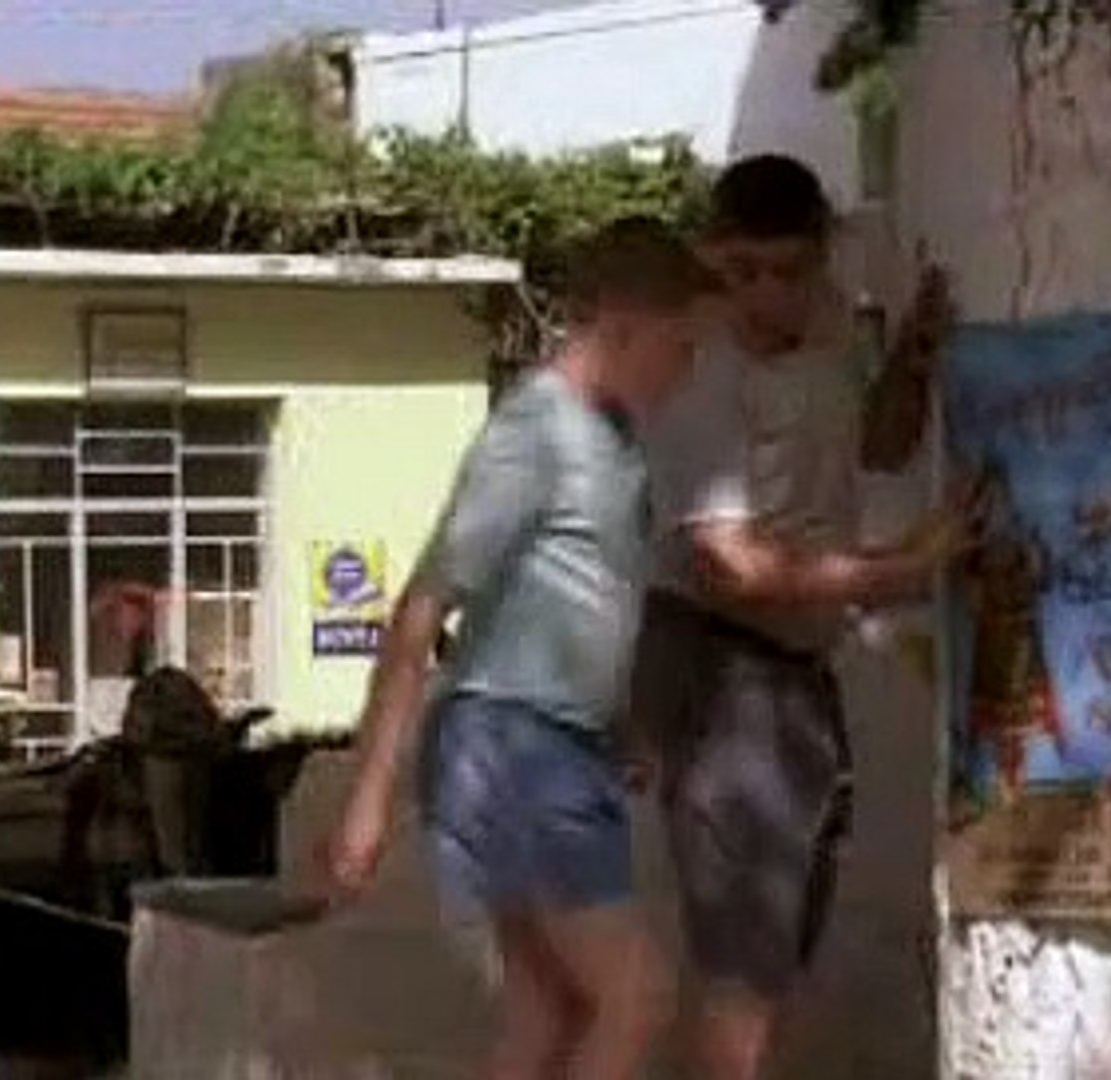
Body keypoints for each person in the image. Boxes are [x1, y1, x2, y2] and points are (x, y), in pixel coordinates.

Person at [323, 216, 720, 1080]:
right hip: (511, 743)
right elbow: (422, 607)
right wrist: (368, 795)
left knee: (549, 1015)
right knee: (635, 998)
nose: (686, 372)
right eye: (680, 347)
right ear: (622, 326)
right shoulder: (532, 433)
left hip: (564, 744)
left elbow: (576, 601)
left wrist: (619, 722)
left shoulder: (613, 440)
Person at [628, 152, 961, 1080]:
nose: (766, 297)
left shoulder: (831, 331)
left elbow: (880, 447)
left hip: (792, 669)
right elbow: (727, 566)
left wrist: (915, 357)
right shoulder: (698, 370)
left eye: (789, 271)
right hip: (715, 658)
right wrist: (898, 571)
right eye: (743, 273)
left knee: (772, 948)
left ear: (823, 256)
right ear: (710, 260)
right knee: (743, 963)